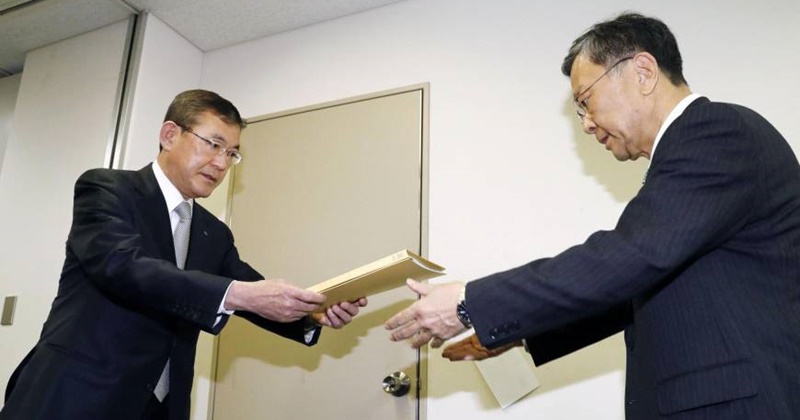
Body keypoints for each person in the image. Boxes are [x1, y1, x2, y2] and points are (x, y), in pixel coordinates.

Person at [386, 12, 800, 419]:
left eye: (586, 101)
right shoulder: (697, 149)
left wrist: (468, 302)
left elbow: (631, 256)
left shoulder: (715, 131)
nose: (586, 123)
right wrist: (522, 333)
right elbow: (636, 286)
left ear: (643, 72)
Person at [1, 89, 367, 420]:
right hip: (74, 396)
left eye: (231, 153)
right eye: (214, 144)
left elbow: (251, 291)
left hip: (161, 407)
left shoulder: (214, 233)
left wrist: (311, 313)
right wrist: (238, 294)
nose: (222, 164)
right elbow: (122, 266)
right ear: (170, 135)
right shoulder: (107, 189)